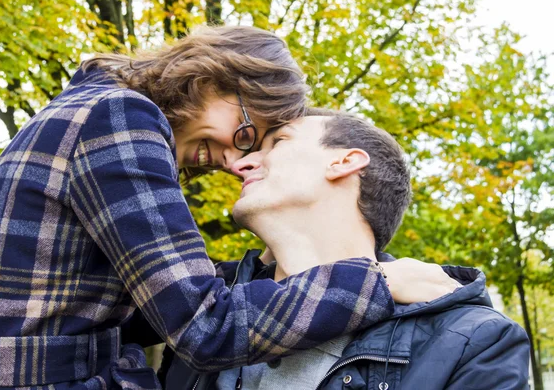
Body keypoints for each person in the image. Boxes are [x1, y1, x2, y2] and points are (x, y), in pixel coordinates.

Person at [0, 27, 457, 390]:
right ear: (216, 75)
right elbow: (204, 329)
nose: (238, 162)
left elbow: (106, 309)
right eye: (246, 135)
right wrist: (377, 283)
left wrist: (257, 278)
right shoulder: (121, 117)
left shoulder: (87, 110)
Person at [163, 111, 530, 389]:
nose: (240, 164)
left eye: (279, 143)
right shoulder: (199, 316)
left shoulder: (475, 342)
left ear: (344, 162)